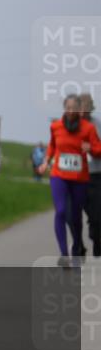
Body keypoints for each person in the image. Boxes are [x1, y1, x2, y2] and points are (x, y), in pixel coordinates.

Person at [37, 94, 101, 264]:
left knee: (86, 218)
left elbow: (98, 148)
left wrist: (91, 148)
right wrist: (46, 162)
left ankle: (86, 247)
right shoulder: (58, 126)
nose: (75, 111)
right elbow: (53, 145)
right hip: (62, 175)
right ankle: (69, 252)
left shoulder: (91, 127)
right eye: (70, 108)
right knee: (64, 212)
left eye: (78, 108)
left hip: (87, 178)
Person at [79, 93, 100, 256]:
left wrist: (92, 149)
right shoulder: (70, 125)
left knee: (96, 216)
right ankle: (78, 246)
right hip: (74, 176)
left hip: (95, 175)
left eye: (86, 108)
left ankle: (97, 245)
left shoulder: (97, 125)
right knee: (71, 215)